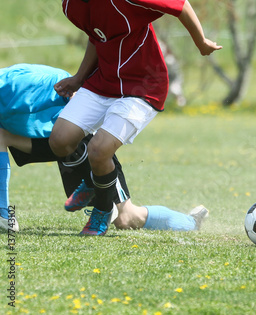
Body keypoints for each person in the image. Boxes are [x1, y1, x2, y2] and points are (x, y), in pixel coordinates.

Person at [39, 0, 221, 236]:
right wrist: (79, 77)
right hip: (102, 83)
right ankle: (97, 185)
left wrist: (201, 42)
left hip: (142, 88)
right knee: (60, 140)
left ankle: (103, 209)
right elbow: (98, 35)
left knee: (100, 153)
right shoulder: (71, 5)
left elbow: (181, 4)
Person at [0, 63, 208, 233]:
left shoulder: (20, 85)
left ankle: (190, 223)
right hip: (55, 140)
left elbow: (80, 98)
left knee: (127, 217)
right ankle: (2, 215)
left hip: (84, 140)